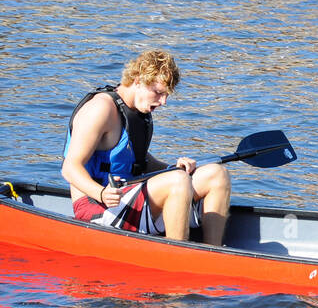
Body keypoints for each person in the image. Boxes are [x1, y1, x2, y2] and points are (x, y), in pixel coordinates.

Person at [62, 49, 230, 244]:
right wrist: (101, 193)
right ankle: (177, 257)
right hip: (97, 208)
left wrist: (173, 168)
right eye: (158, 93)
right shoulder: (100, 109)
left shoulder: (138, 111)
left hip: (130, 202)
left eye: (166, 95)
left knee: (217, 174)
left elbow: (137, 160)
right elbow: (70, 168)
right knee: (177, 181)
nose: (163, 102)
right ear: (138, 81)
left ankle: (213, 251)